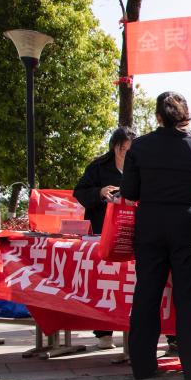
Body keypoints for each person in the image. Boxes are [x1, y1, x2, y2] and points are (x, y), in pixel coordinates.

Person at [121, 92, 191, 380]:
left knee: (147, 293)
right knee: (188, 297)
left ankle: (142, 367)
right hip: (188, 224)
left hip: (150, 222)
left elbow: (129, 192)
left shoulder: (140, 147)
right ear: (185, 116)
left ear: (158, 116)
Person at [74, 126, 136, 350]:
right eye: (122, 149)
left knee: (129, 281)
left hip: (131, 230)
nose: (125, 154)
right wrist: (99, 193)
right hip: (103, 229)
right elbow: (79, 192)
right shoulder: (98, 166)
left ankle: (133, 329)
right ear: (114, 147)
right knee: (104, 279)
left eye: (130, 150)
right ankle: (103, 332)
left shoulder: (139, 166)